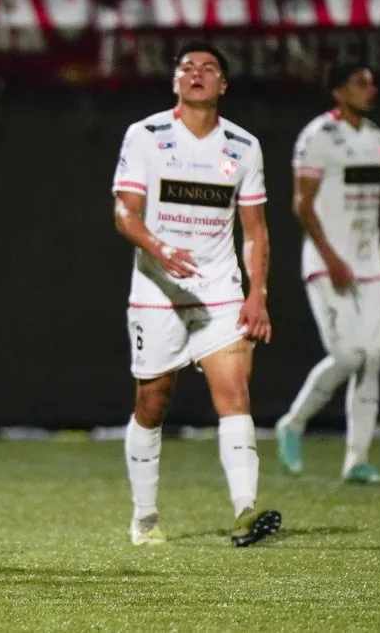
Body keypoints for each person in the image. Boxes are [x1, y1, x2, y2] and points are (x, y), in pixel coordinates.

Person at [112, 41, 281, 547]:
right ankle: (144, 518)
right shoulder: (146, 136)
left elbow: (255, 230)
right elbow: (124, 212)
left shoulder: (244, 146)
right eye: (187, 67)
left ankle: (245, 510)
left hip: (220, 293)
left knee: (235, 394)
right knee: (153, 402)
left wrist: (258, 295)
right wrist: (158, 248)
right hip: (157, 291)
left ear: (223, 85)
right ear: (175, 82)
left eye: (209, 68)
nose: (197, 74)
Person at [275, 62, 380, 483]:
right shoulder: (318, 136)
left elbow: (379, 204)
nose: (370, 88)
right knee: (347, 355)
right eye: (361, 83)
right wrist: (332, 257)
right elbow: (302, 204)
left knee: (373, 358)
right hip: (329, 263)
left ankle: (356, 459)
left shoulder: (376, 138)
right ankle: (293, 423)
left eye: (371, 81)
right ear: (339, 93)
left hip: (369, 263)